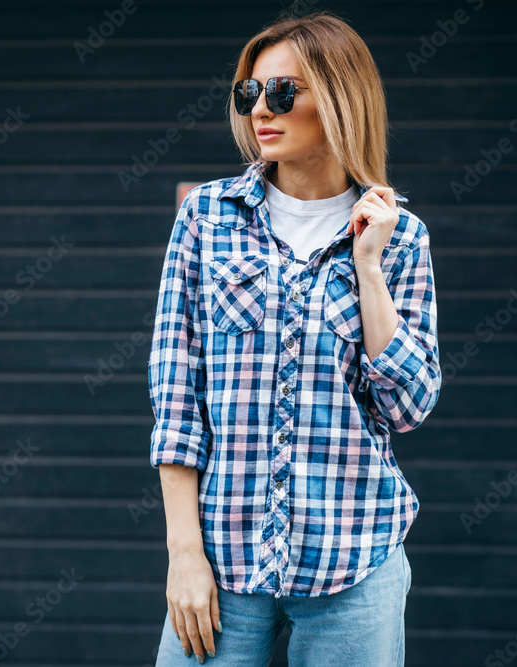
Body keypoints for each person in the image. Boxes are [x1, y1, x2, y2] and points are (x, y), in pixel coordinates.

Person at [147, 9, 441, 666]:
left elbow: (409, 406)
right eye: (250, 92)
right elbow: (176, 401)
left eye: (283, 92)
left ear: (339, 99)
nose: (261, 109)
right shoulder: (205, 219)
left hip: (354, 563)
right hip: (223, 566)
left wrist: (368, 267)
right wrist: (183, 554)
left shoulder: (402, 237)